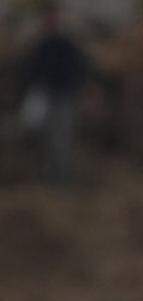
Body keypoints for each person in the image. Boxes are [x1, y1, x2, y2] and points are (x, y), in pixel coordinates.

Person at [19, 1, 89, 184]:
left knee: (62, 137)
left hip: (63, 95)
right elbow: (30, 69)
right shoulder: (39, 44)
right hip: (45, 95)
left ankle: (62, 176)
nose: (51, 21)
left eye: (54, 17)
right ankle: (49, 174)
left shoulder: (67, 44)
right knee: (45, 136)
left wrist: (76, 87)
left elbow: (80, 66)